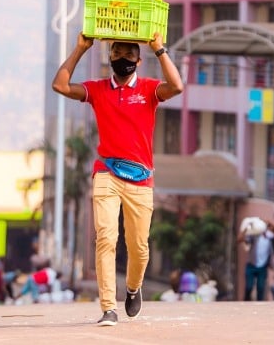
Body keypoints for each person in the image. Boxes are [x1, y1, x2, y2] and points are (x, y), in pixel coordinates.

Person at [52, 32, 183, 326]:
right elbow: (60, 85)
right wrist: (80, 48)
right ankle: (108, 307)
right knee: (106, 238)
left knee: (139, 247)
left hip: (140, 178)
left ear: (138, 59)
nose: (122, 58)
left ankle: (133, 288)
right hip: (107, 172)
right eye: (117, 53)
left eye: (128, 54)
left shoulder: (149, 90)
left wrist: (159, 49)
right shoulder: (98, 90)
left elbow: (176, 86)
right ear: (109, 57)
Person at [237, 220, 274, 301]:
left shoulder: (270, 237)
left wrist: (269, 223)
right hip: (251, 265)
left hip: (263, 267)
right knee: (249, 287)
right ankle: (245, 304)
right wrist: (246, 228)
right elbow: (239, 239)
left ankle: (259, 307)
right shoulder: (254, 236)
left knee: (261, 288)